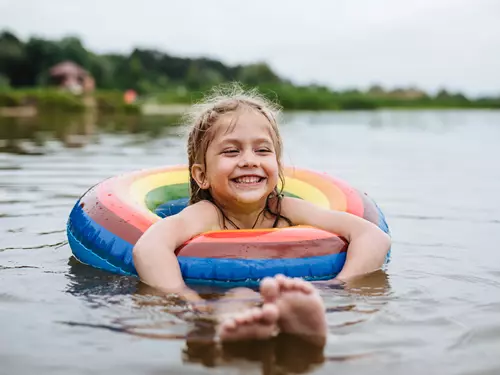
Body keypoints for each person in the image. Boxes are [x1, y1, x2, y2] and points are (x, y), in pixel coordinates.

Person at [133, 84, 391, 345]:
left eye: (262, 150)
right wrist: (187, 298)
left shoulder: (287, 209)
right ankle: (235, 327)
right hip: (220, 295)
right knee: (239, 294)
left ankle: (303, 325)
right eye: (231, 151)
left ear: (277, 168)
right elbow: (150, 246)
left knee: (290, 297)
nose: (249, 160)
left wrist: (339, 287)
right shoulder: (207, 214)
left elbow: (372, 236)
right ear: (202, 176)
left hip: (289, 289)